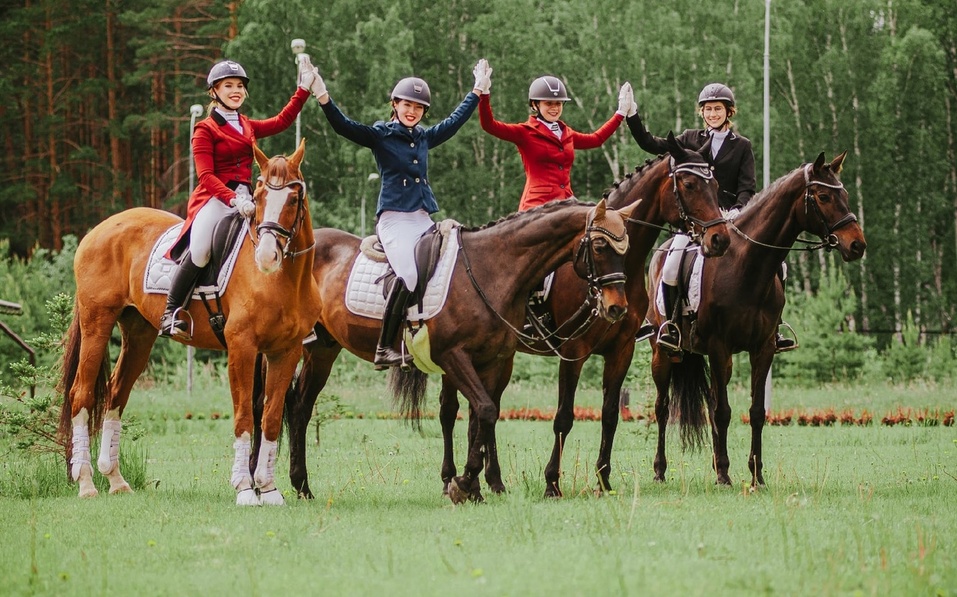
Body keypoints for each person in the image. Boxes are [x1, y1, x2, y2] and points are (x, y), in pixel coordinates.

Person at [302, 58, 490, 369]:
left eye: (418, 107)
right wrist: (322, 94)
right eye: (407, 105)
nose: (412, 111)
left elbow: (454, 122)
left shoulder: (424, 137)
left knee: (448, 270)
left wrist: (477, 91)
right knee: (408, 274)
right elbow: (344, 126)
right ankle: (385, 346)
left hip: (423, 218)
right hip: (394, 220)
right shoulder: (381, 135)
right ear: (395, 104)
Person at [626, 82, 796, 354]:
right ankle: (671, 326)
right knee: (670, 267)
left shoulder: (742, 146)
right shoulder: (690, 139)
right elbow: (651, 143)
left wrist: (738, 210)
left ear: (729, 112)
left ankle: (774, 328)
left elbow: (747, 186)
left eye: (718, 109)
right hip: (695, 221)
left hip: (733, 219)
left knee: (780, 266)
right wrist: (632, 116)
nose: (712, 114)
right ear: (701, 112)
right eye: (708, 109)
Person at [159, 58, 316, 339]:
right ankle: (171, 312)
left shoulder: (246, 124)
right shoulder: (205, 129)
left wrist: (303, 89)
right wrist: (233, 199)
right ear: (214, 91)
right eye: (228, 86)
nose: (236, 91)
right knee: (201, 249)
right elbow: (205, 175)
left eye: (240, 86)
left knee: (276, 236)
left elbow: (282, 121)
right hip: (215, 198)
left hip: (250, 197)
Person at [478, 70, 631, 212]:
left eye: (558, 103)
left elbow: (596, 139)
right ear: (535, 105)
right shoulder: (525, 132)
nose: (554, 108)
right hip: (537, 206)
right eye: (548, 103)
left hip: (567, 203)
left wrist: (620, 113)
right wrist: (484, 94)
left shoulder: (567, 133)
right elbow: (489, 125)